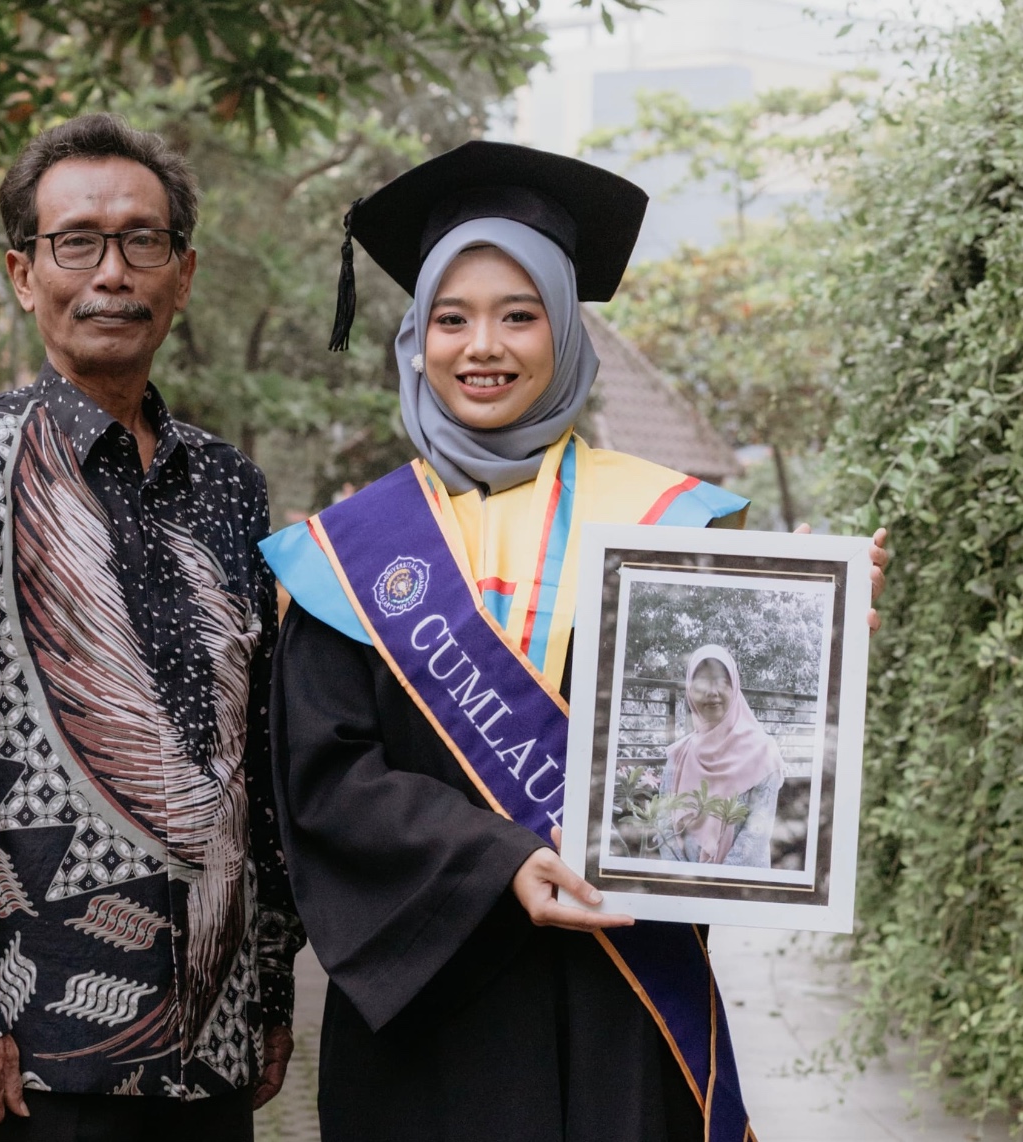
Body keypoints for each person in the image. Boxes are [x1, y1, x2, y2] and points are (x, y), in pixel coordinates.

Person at [262, 141, 890, 1142]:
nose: (483, 347)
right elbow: (326, 785)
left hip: (620, 999)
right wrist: (498, 861)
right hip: (430, 1019)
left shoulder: (665, 526)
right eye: (451, 318)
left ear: (566, 329)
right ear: (415, 338)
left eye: (520, 315)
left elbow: (730, 763)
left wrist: (812, 642)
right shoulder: (351, 556)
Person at [0, 113, 304, 1142]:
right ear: (24, 274)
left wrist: (269, 984)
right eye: (76, 242)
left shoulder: (231, 486)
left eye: (141, 240)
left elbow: (255, 753)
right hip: (28, 1053)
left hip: (207, 1039)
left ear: (183, 274)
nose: (111, 272)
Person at [658, 645, 784, 867]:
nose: (712, 692)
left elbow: (756, 833)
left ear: (734, 687)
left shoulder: (763, 752)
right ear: (689, 689)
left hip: (742, 883)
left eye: (721, 681)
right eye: (702, 683)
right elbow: (664, 824)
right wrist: (681, 877)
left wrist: (716, 881)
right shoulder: (679, 755)